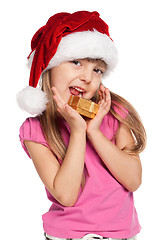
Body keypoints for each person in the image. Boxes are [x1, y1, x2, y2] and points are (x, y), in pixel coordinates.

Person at [17, 11, 146, 240]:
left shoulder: (113, 113)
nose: (87, 77)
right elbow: (66, 195)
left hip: (121, 235)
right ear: (50, 67)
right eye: (76, 62)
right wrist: (77, 132)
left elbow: (133, 180)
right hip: (66, 236)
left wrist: (93, 131)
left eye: (97, 70)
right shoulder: (35, 130)